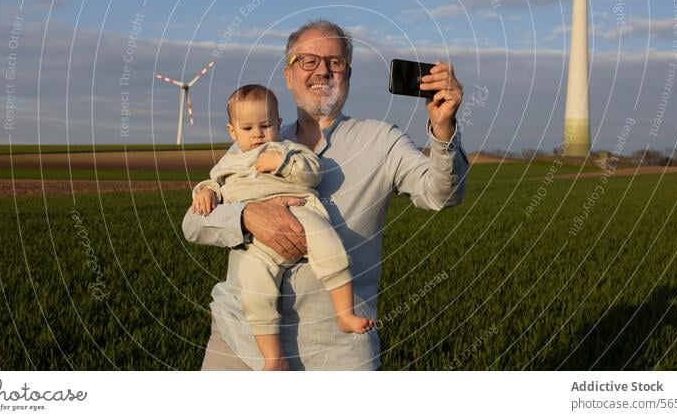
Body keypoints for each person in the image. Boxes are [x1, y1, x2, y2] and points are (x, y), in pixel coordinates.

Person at [182, 19, 469, 370]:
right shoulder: (252, 143)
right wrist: (245, 216)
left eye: (335, 62)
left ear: (347, 74)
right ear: (289, 76)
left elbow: (442, 195)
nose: (323, 70)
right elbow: (193, 223)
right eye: (309, 61)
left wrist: (443, 127)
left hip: (337, 351)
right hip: (240, 341)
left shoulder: (382, 141)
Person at [191, 84, 375, 370]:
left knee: (328, 246)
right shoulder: (230, 160)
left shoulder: (287, 149)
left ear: (278, 123)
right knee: (255, 286)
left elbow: (312, 173)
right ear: (232, 131)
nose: (257, 135)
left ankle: (344, 312)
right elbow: (214, 185)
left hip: (299, 211)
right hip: (256, 242)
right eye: (248, 128)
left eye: (265, 125)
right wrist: (204, 192)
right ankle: (273, 357)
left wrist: (283, 163)